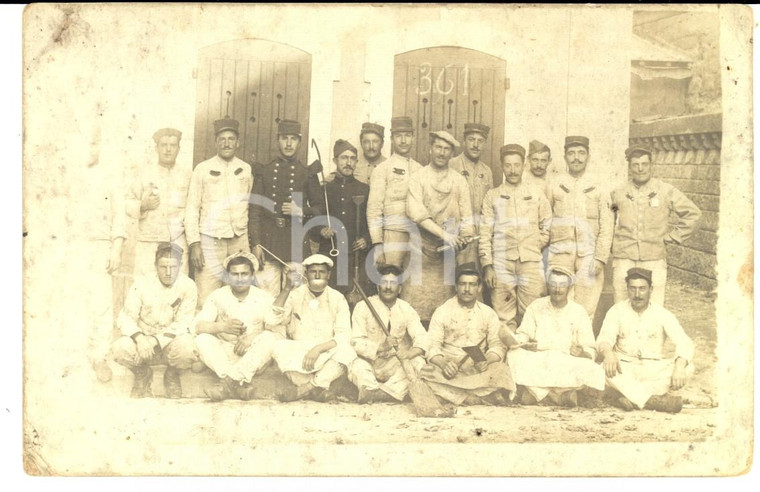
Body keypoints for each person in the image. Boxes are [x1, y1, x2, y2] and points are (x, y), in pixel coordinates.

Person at [609, 144, 701, 305]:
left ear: (651, 165)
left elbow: (693, 215)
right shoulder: (618, 193)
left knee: (655, 307)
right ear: (630, 167)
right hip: (624, 257)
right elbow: (610, 220)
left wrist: (673, 236)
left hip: (654, 257)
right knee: (621, 305)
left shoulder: (665, 191)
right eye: (635, 165)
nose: (640, 169)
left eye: (644, 164)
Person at [503, 267, 605, 407]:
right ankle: (559, 396)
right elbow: (524, 333)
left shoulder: (578, 311)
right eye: (553, 284)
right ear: (548, 286)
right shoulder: (536, 306)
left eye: (562, 285)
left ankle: (536, 394)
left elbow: (590, 347)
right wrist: (522, 343)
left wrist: (582, 353)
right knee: (514, 354)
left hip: (566, 359)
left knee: (589, 367)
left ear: (569, 287)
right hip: (540, 357)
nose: (557, 289)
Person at [597, 268, 695, 413]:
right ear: (628, 289)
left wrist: (679, 368)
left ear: (651, 289)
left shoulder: (662, 314)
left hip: (651, 369)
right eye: (633, 289)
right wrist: (609, 354)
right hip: (624, 368)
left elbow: (685, 342)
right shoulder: (616, 311)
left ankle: (629, 396)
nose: (637, 295)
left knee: (688, 367)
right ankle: (652, 401)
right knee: (601, 369)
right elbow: (604, 338)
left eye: (642, 289)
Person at [193, 252, 285, 401]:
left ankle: (227, 383)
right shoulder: (217, 296)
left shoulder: (264, 297)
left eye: (244, 274)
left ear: (252, 275)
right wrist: (222, 327)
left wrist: (252, 337)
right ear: (228, 276)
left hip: (252, 356)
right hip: (225, 356)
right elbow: (198, 327)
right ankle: (238, 384)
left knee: (270, 339)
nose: (240, 279)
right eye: (235, 274)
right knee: (202, 339)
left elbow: (279, 333)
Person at [111, 243, 199, 398]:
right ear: (155, 266)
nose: (168, 272)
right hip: (143, 337)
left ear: (180, 265)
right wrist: (139, 338)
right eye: (163, 267)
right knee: (120, 348)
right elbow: (126, 317)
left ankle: (172, 374)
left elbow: (183, 323)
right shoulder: (142, 284)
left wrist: (154, 341)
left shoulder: (188, 285)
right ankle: (142, 373)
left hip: (170, 340)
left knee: (188, 349)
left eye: (173, 267)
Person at [404, 130, 475, 323]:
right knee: (413, 310)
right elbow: (416, 214)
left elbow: (467, 216)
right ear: (430, 149)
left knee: (446, 313)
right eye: (438, 147)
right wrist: (446, 235)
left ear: (452, 154)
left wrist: (466, 238)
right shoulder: (418, 178)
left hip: (448, 257)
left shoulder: (459, 181)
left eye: (447, 149)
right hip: (420, 252)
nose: (442, 153)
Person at [250, 119, 325, 298]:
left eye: (293, 139)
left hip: (296, 243)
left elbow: (320, 209)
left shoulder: (307, 173)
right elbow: (254, 211)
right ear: (278, 141)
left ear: (300, 142)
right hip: (269, 244)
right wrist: (256, 244)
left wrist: (301, 211)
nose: (289, 143)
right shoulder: (264, 171)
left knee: (295, 296)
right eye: (284, 138)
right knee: (266, 296)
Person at [480, 144, 551, 330]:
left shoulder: (536, 193)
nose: (512, 170)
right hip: (502, 263)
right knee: (504, 317)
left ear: (524, 165)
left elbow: (547, 224)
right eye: (508, 165)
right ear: (502, 166)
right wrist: (488, 265)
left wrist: (535, 244)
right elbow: (485, 233)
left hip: (531, 262)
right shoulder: (492, 196)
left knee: (533, 314)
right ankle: (506, 354)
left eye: (517, 165)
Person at [420, 265, 515, 406]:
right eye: (462, 284)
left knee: (502, 370)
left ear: (479, 288)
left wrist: (486, 360)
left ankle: (453, 396)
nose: (467, 289)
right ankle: (473, 397)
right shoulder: (442, 311)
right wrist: (443, 363)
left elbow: (497, 345)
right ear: (456, 287)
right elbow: (432, 345)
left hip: (477, 368)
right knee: (426, 372)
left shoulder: (488, 313)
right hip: (450, 368)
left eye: (472, 285)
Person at [185, 118, 253, 307]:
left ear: (238, 142)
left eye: (231, 139)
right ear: (215, 142)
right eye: (222, 139)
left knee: (239, 294)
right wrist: (194, 243)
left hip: (239, 240)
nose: (226, 143)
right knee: (206, 296)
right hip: (210, 242)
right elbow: (192, 208)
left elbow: (250, 206)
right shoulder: (203, 169)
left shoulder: (246, 169)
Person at [270, 254, 357, 401]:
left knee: (347, 350)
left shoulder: (337, 298)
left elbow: (344, 334)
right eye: (312, 271)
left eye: (321, 272)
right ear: (305, 273)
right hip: (300, 353)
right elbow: (272, 320)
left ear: (328, 274)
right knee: (276, 345)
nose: (317, 275)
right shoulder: (294, 294)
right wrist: (286, 289)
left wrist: (317, 349)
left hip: (326, 352)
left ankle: (307, 388)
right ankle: (318, 390)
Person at [546, 136, 614, 320]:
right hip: (560, 254)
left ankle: (582, 346)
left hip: (589, 255)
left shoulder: (600, 185)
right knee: (558, 305)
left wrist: (600, 258)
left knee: (586, 309)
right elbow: (545, 220)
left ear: (588, 156)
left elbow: (607, 224)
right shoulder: (554, 184)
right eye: (571, 153)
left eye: (581, 153)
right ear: (565, 156)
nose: (576, 158)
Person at [349, 265, 429, 403]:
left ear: (399, 289)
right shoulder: (363, 306)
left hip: (394, 363)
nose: (387, 287)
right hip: (370, 362)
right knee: (356, 366)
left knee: (418, 363)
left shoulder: (406, 308)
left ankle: (377, 394)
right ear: (377, 287)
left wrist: (408, 354)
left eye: (393, 284)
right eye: (384, 283)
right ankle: (380, 390)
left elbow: (422, 337)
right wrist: (381, 346)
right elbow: (355, 342)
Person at [126, 128, 191, 277]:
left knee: (177, 285)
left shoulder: (187, 175)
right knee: (145, 285)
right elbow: (128, 202)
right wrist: (143, 206)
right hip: (149, 241)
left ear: (179, 149)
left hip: (177, 241)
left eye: (172, 145)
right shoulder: (144, 173)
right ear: (156, 148)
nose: (168, 150)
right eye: (163, 145)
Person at [366, 116, 422, 271]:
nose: (403, 141)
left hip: (417, 237)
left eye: (407, 135)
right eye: (398, 136)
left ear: (413, 137)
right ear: (392, 139)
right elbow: (374, 210)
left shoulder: (420, 169)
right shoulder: (382, 169)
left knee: (412, 287)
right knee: (390, 282)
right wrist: (377, 244)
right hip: (392, 234)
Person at [318, 139, 370, 297]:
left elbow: (373, 219)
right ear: (334, 160)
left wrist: (366, 239)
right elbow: (313, 218)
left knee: (355, 298)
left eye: (352, 158)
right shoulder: (325, 190)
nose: (348, 162)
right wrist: (321, 230)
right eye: (343, 158)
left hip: (356, 256)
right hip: (330, 254)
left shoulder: (364, 189)